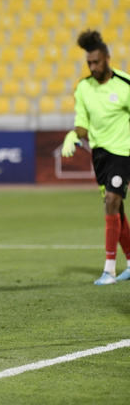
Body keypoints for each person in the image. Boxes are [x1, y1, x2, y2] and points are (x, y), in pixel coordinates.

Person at [62, 30, 130, 284]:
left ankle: (109, 270)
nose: (92, 67)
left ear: (107, 59)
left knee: (111, 202)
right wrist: (74, 134)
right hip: (99, 155)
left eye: (96, 62)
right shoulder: (83, 88)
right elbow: (83, 124)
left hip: (123, 153)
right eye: (89, 63)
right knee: (118, 209)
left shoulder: (125, 85)